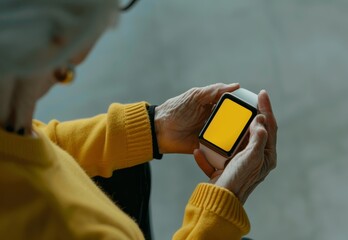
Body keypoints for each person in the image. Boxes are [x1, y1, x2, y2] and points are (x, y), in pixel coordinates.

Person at [0, 0, 278, 239]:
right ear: (60, 34)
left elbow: (33, 148)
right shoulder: (75, 229)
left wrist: (153, 127)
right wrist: (219, 212)